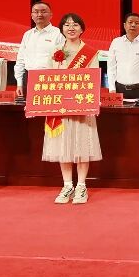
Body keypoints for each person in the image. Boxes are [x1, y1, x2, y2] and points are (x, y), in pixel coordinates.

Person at [41, 13, 102, 204]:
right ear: (62, 29)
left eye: (75, 24)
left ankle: (81, 186)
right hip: (60, 107)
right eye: (67, 25)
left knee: (82, 144)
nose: (71, 28)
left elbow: (94, 79)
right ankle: (67, 185)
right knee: (63, 146)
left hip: (82, 105)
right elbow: (48, 78)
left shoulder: (90, 52)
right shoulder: (55, 51)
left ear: (82, 29)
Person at [14, 0, 64, 99]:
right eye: (36, 12)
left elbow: (63, 61)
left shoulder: (59, 33)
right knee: (30, 107)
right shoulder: (28, 35)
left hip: (50, 79)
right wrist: (19, 83)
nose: (40, 14)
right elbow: (21, 60)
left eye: (43, 11)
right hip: (29, 78)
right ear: (32, 15)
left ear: (51, 15)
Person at [107, 13, 139, 101]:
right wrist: (112, 88)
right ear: (124, 25)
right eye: (130, 22)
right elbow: (111, 67)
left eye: (136, 23)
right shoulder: (116, 42)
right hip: (119, 90)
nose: (133, 25)